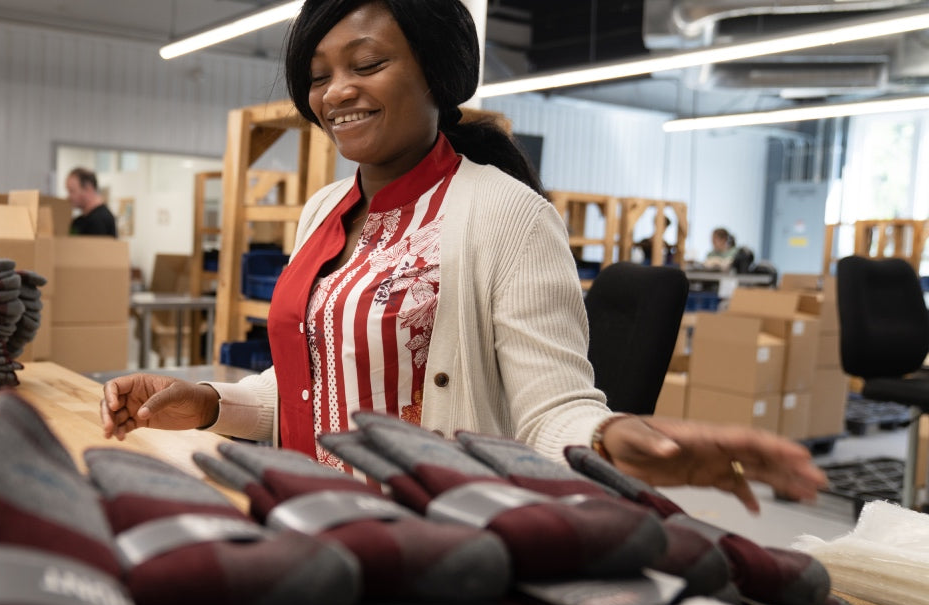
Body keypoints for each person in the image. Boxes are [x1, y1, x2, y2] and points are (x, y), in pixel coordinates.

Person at [100, 0, 824, 513]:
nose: (336, 91)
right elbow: (319, 379)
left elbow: (552, 412)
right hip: (308, 519)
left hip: (435, 541)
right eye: (319, 74)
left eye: (367, 63)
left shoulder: (506, 214)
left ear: (435, 73)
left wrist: (622, 439)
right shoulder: (324, 210)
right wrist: (210, 401)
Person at [64, 167, 117, 237]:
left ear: (88, 188)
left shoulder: (100, 220)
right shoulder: (79, 221)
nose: (69, 197)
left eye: (72, 191)